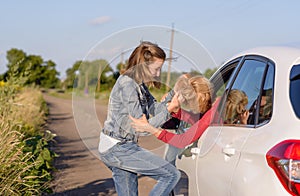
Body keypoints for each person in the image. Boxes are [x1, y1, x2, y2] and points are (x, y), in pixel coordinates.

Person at [98, 41, 181, 196]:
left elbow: (154, 109)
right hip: (117, 147)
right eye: (156, 69)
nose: (158, 74)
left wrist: (174, 94)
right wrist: (169, 109)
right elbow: (141, 128)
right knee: (171, 175)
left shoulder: (139, 84)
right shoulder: (127, 84)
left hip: (121, 146)